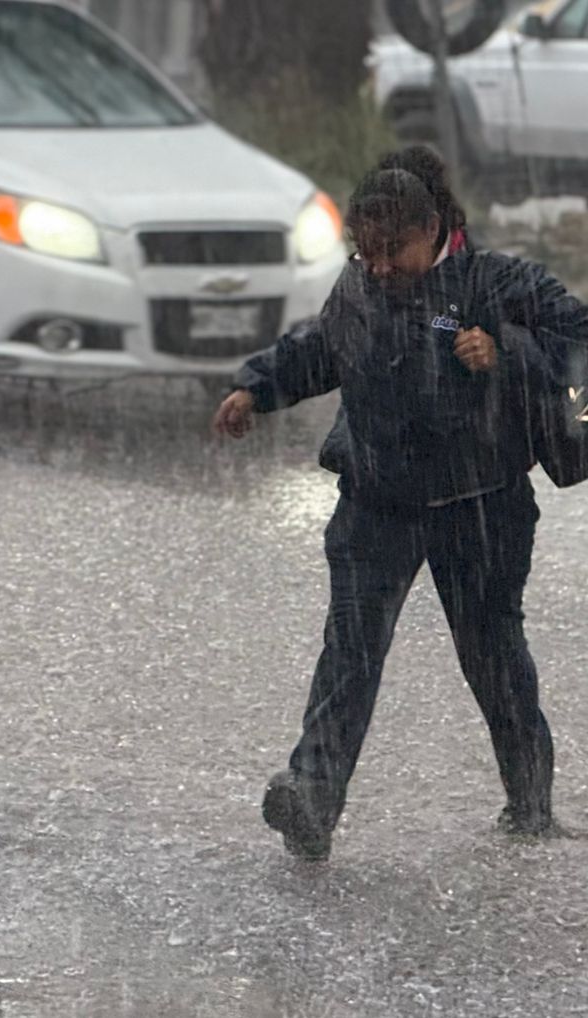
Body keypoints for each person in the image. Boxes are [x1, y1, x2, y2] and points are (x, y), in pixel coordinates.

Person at [213, 145, 588, 860]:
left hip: (479, 507)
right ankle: (312, 800)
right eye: (366, 252)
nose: (380, 266)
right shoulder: (357, 290)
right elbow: (318, 350)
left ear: (434, 230)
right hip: (376, 503)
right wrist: (256, 388)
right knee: (349, 654)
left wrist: (508, 351)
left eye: (394, 251)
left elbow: (580, 344)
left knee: (494, 658)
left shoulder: (499, 282)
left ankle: (530, 805)